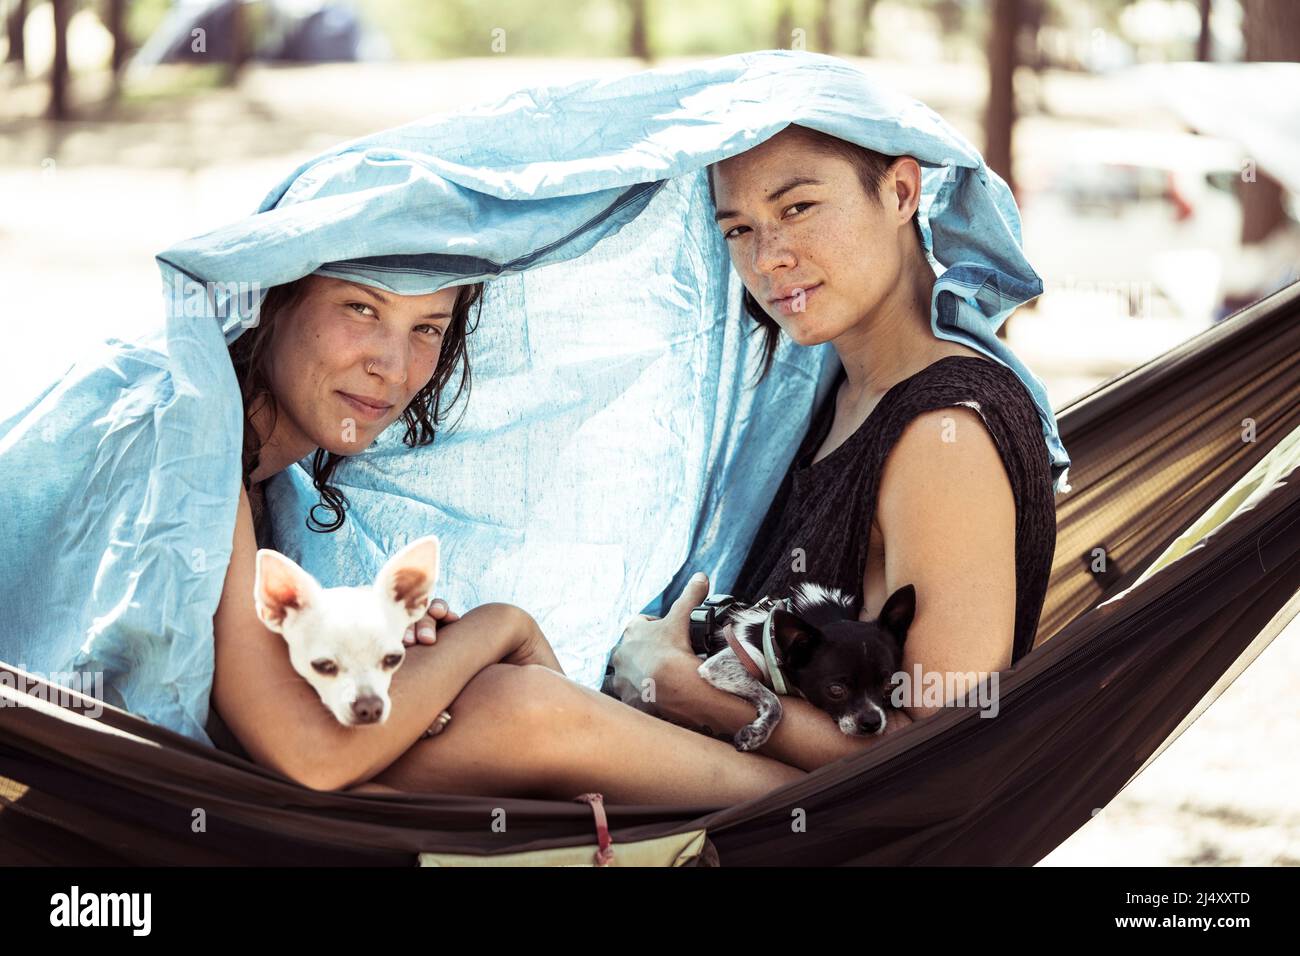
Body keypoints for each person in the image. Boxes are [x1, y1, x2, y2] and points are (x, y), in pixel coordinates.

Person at [209, 271, 806, 802]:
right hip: (212, 788)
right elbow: (311, 755)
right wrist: (501, 625)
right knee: (526, 709)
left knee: (511, 698)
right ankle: (827, 815)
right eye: (361, 309)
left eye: (427, 328)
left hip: (267, 768)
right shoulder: (202, 443)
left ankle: (820, 810)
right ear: (273, 297)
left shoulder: (273, 483)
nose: (392, 367)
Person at [607, 125, 1059, 771]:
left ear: (901, 192)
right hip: (705, 780)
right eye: (738, 229)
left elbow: (944, 755)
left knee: (510, 710)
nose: (767, 258)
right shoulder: (827, 393)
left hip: (807, 830)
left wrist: (685, 690)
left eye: (797, 208)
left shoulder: (942, 432)